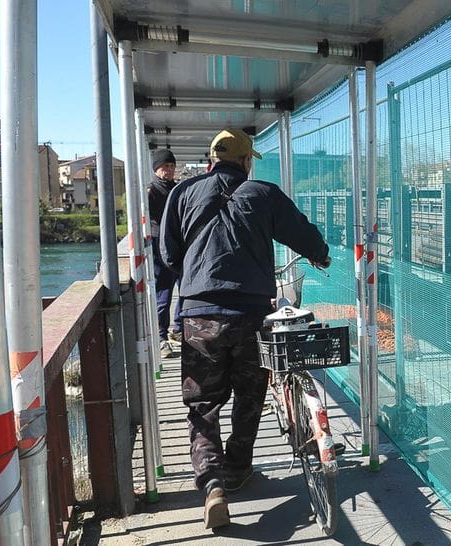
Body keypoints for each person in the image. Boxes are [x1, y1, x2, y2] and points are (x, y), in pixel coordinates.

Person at [159, 128, 331, 529]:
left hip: (200, 315)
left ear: (210, 161)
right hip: (252, 313)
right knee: (249, 393)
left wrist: (197, 274)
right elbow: (302, 233)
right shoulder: (263, 193)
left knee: (202, 403)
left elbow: (168, 255)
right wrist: (320, 256)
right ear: (246, 161)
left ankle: (212, 483)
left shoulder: (181, 194)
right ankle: (237, 469)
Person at [147, 149, 182, 357]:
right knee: (163, 293)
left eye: (171, 167)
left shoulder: (177, 189)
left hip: (178, 247)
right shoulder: (151, 191)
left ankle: (178, 329)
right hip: (159, 249)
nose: (168, 171)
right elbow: (151, 223)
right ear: (156, 169)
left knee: (185, 290)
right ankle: (161, 336)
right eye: (164, 167)